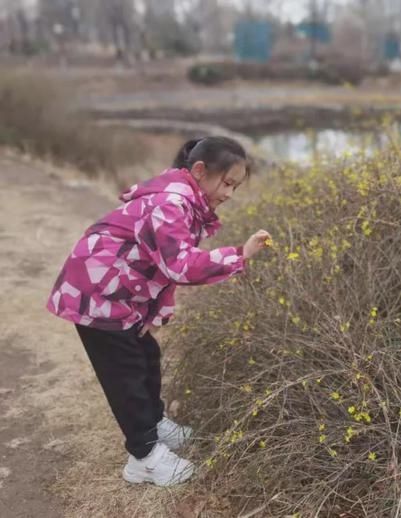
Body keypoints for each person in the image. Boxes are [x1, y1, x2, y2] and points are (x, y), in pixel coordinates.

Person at [46, 136, 271, 486]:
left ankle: (154, 424)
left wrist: (152, 314)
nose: (229, 194)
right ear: (199, 171)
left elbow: (159, 270)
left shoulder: (185, 201)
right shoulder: (170, 203)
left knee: (146, 354)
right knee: (126, 377)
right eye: (227, 183)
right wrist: (239, 254)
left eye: (236, 187)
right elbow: (179, 266)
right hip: (97, 291)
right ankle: (145, 457)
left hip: (119, 292)